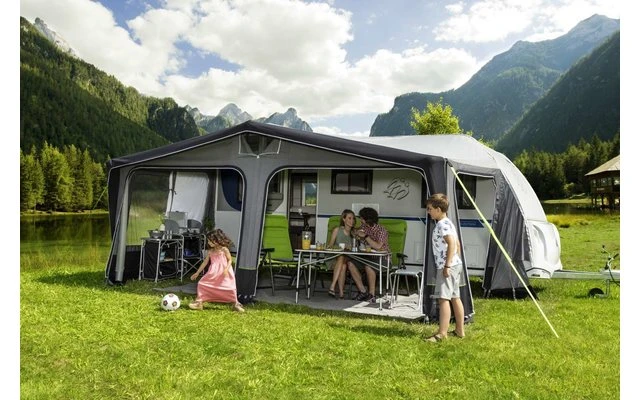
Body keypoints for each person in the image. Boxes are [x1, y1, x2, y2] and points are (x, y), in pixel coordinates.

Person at [424, 193, 465, 342]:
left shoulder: (442, 225)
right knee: (455, 297)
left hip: (447, 266)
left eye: (430, 209)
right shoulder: (448, 222)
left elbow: (452, 243)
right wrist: (456, 261)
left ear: (438, 209)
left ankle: (442, 334)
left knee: (443, 299)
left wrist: (447, 265)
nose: (428, 211)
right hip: (455, 265)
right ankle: (459, 330)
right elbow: (457, 244)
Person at [189, 229, 245, 312]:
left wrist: (226, 269)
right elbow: (205, 262)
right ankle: (199, 302)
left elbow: (229, 260)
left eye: (210, 241)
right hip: (213, 272)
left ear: (217, 240)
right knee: (202, 284)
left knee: (229, 287)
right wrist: (197, 273)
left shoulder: (224, 249)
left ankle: (235, 303)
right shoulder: (211, 251)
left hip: (224, 272)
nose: (209, 243)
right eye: (208, 241)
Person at [349, 207, 389, 302]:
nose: (360, 220)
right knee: (350, 263)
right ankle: (363, 291)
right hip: (368, 257)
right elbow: (354, 232)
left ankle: (372, 295)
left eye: (361, 218)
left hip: (383, 260)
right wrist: (355, 232)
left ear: (366, 219)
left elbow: (378, 246)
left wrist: (366, 236)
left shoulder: (381, 230)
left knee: (369, 266)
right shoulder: (364, 227)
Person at [325, 209, 357, 299]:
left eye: (353, 218)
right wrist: (339, 248)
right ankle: (341, 293)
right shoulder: (337, 230)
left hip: (347, 258)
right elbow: (330, 246)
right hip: (333, 258)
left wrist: (350, 248)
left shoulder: (354, 233)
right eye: (349, 218)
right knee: (343, 264)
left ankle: (332, 287)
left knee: (343, 260)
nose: (352, 221)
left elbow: (356, 249)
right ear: (344, 219)